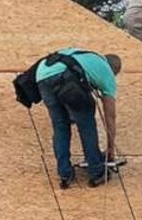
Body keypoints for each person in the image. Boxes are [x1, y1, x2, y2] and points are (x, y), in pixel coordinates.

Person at [33, 47, 116, 188]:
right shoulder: (107, 73)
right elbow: (110, 117)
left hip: (42, 75)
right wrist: (110, 149)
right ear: (114, 71)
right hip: (66, 77)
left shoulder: (89, 56)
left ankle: (64, 173)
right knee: (86, 124)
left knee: (60, 126)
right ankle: (96, 172)